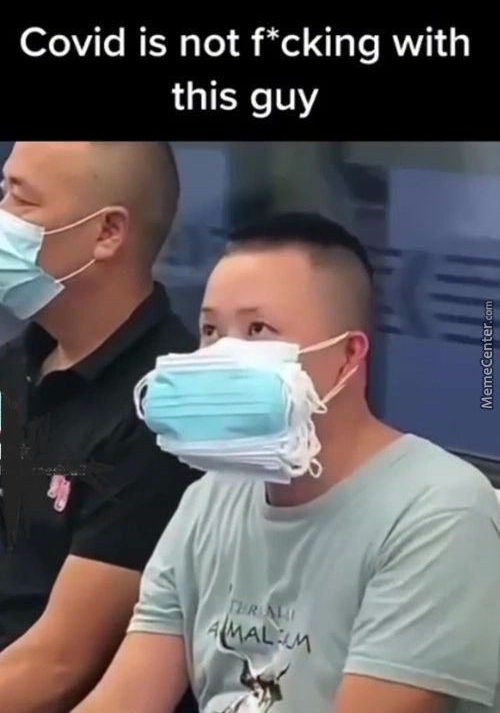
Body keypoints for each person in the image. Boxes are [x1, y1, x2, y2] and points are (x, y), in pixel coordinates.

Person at [74, 213, 500, 713]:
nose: (221, 355)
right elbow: (126, 697)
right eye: (210, 330)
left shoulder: (438, 513)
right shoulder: (208, 500)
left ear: (348, 356)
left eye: (258, 329)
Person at [0, 141, 199, 712]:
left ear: (107, 232)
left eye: (21, 200)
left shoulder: (162, 414)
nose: (3, 214)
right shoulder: (17, 362)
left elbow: (58, 664)